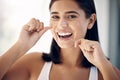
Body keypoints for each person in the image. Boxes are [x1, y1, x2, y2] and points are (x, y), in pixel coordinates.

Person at [0, 0, 120, 80]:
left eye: (71, 16)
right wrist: (21, 45)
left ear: (91, 21)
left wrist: (104, 65)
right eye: (55, 17)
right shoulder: (32, 63)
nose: (61, 24)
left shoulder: (107, 72)